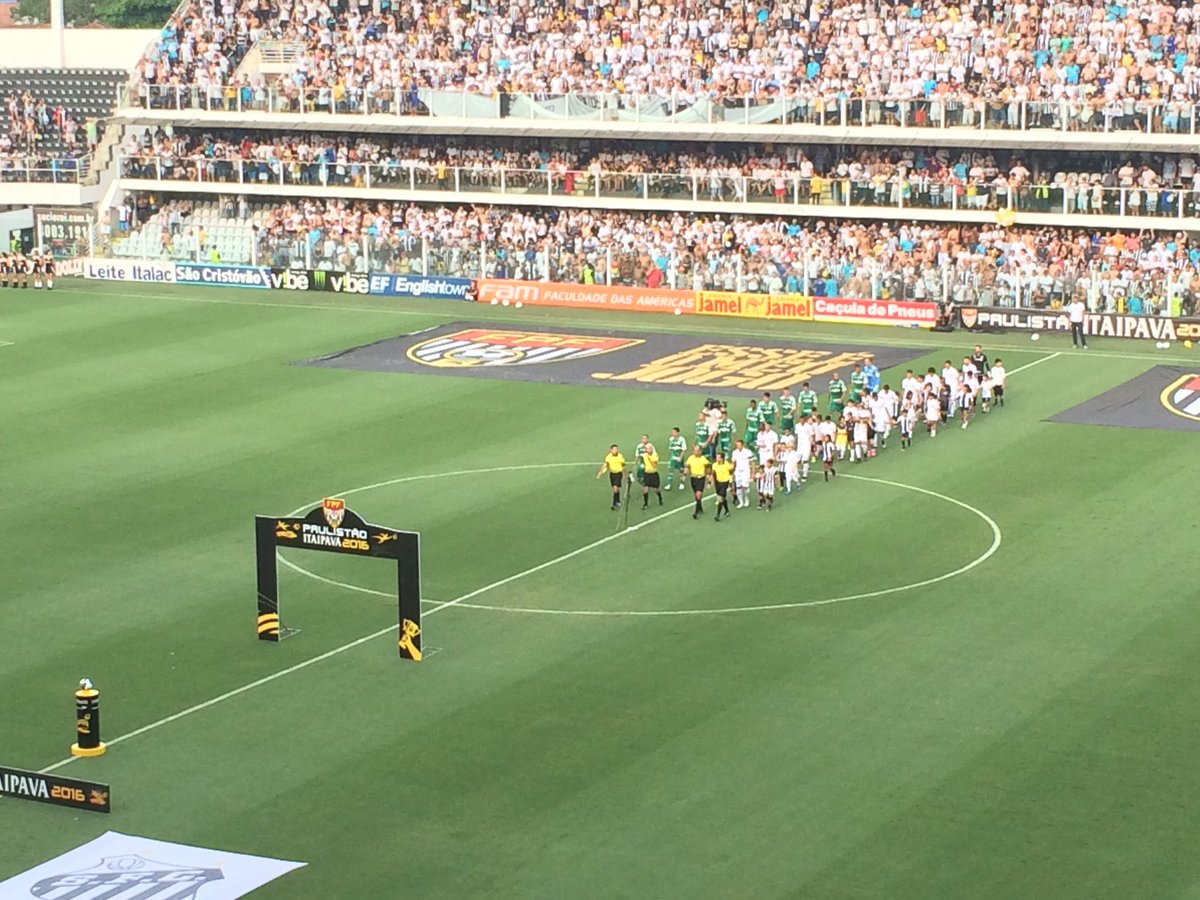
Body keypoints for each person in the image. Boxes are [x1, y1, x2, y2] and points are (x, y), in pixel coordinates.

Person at [596, 444, 626, 510]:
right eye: (614, 449)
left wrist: (625, 474)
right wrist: (600, 472)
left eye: (616, 449)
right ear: (611, 450)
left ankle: (614, 504)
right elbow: (605, 465)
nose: (616, 450)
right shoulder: (608, 457)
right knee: (615, 489)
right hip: (612, 474)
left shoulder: (620, 456)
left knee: (615, 488)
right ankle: (618, 501)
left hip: (618, 473)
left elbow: (623, 466)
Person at [684, 445, 710, 519]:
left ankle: (695, 512)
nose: (695, 452)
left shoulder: (703, 459)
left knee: (698, 494)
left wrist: (708, 479)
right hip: (693, 478)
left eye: (697, 450)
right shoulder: (691, 458)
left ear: (700, 451)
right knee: (696, 494)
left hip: (701, 478)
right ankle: (700, 507)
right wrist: (685, 473)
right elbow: (687, 466)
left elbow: (707, 467)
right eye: (694, 450)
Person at [731, 438, 754, 508]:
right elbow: (733, 463)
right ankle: (741, 502)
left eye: (739, 445)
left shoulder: (748, 452)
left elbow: (752, 462)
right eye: (737, 445)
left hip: (745, 470)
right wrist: (732, 472)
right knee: (738, 487)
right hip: (738, 471)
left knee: (745, 486)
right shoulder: (734, 452)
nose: (738, 446)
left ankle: (746, 499)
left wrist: (752, 472)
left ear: (742, 445)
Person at [639, 441, 663, 508]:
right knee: (645, 489)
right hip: (647, 474)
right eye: (647, 449)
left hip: (653, 474)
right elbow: (642, 462)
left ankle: (660, 498)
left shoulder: (655, 455)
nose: (648, 450)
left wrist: (649, 459)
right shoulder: (644, 455)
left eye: (649, 448)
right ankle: (645, 504)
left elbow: (655, 465)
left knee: (656, 489)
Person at [711, 451, 733, 520]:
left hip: (724, 482)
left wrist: (731, 482)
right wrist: (711, 482)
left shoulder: (726, 464)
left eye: (718, 458)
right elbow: (713, 474)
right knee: (722, 498)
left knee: (720, 499)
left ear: (722, 458)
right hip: (718, 483)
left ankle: (718, 515)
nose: (717, 459)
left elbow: (730, 473)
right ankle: (727, 510)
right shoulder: (714, 465)